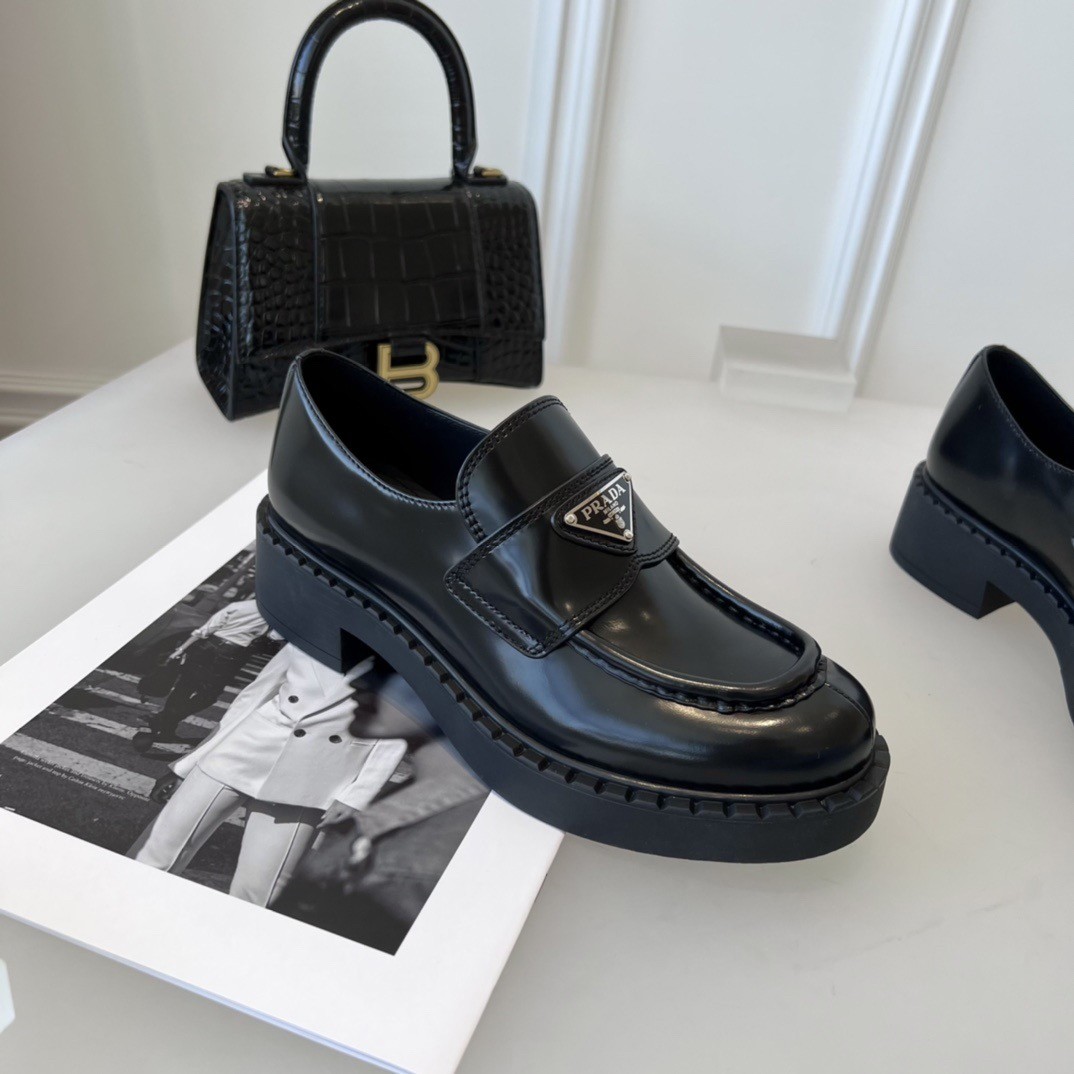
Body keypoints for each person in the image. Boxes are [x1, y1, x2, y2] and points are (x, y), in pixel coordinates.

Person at [128, 643, 406, 908]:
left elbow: (396, 732)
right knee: (155, 853)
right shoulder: (310, 636)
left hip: (315, 775)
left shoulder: (406, 660)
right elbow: (252, 698)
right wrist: (189, 763)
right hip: (241, 750)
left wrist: (357, 796)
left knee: (259, 891)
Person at [136, 598, 270, 747]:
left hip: (207, 646)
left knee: (184, 687)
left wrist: (181, 649)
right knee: (208, 695)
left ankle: (166, 727)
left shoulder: (238, 605)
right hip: (233, 654)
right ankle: (165, 721)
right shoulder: (272, 614)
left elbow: (205, 629)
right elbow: (274, 637)